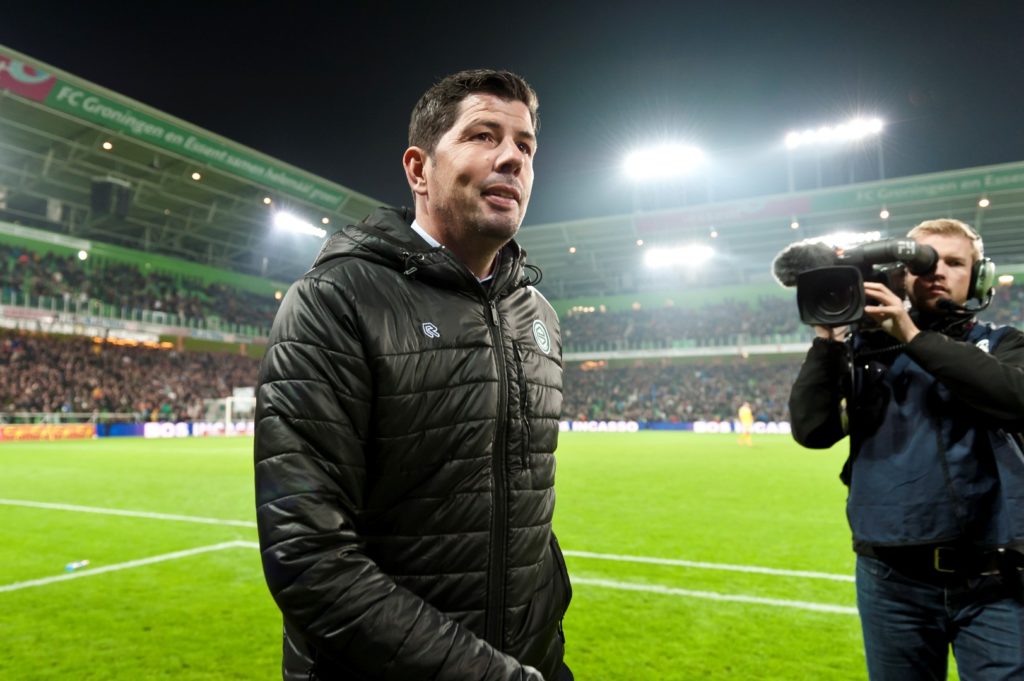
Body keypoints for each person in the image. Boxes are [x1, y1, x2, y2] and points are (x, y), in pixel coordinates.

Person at [253, 69, 571, 681]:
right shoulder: (336, 301)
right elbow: (308, 556)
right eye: (484, 135)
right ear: (419, 170)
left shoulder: (539, 317)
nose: (513, 157)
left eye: (526, 145)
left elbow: (529, 515)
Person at [789, 218, 1024, 680]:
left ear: (979, 278)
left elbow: (1015, 400)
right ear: (901, 276)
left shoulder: (1005, 344)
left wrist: (911, 335)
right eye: (924, 262)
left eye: (954, 263)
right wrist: (827, 343)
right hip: (891, 580)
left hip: (996, 580)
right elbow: (812, 430)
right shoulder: (863, 353)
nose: (937, 272)